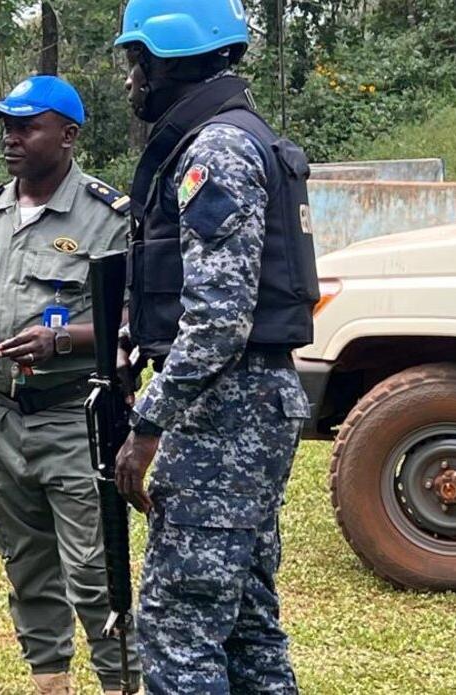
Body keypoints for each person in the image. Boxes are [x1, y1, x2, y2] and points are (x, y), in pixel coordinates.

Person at [112, 1, 319, 693]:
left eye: (136, 63)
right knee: (247, 621)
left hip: (224, 412)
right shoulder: (243, 136)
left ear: (168, 60)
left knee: (178, 626)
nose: (131, 82)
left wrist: (148, 421)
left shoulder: (215, 150)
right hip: (252, 404)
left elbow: (218, 319)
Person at [0, 75, 142, 695]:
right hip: (0, 421)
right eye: (6, 126)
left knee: (96, 571)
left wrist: (65, 339)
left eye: (27, 126)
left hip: (76, 418)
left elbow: (138, 318)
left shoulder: (107, 220)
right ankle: (51, 683)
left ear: (69, 136)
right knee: (27, 568)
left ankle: (120, 684)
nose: (11, 138)